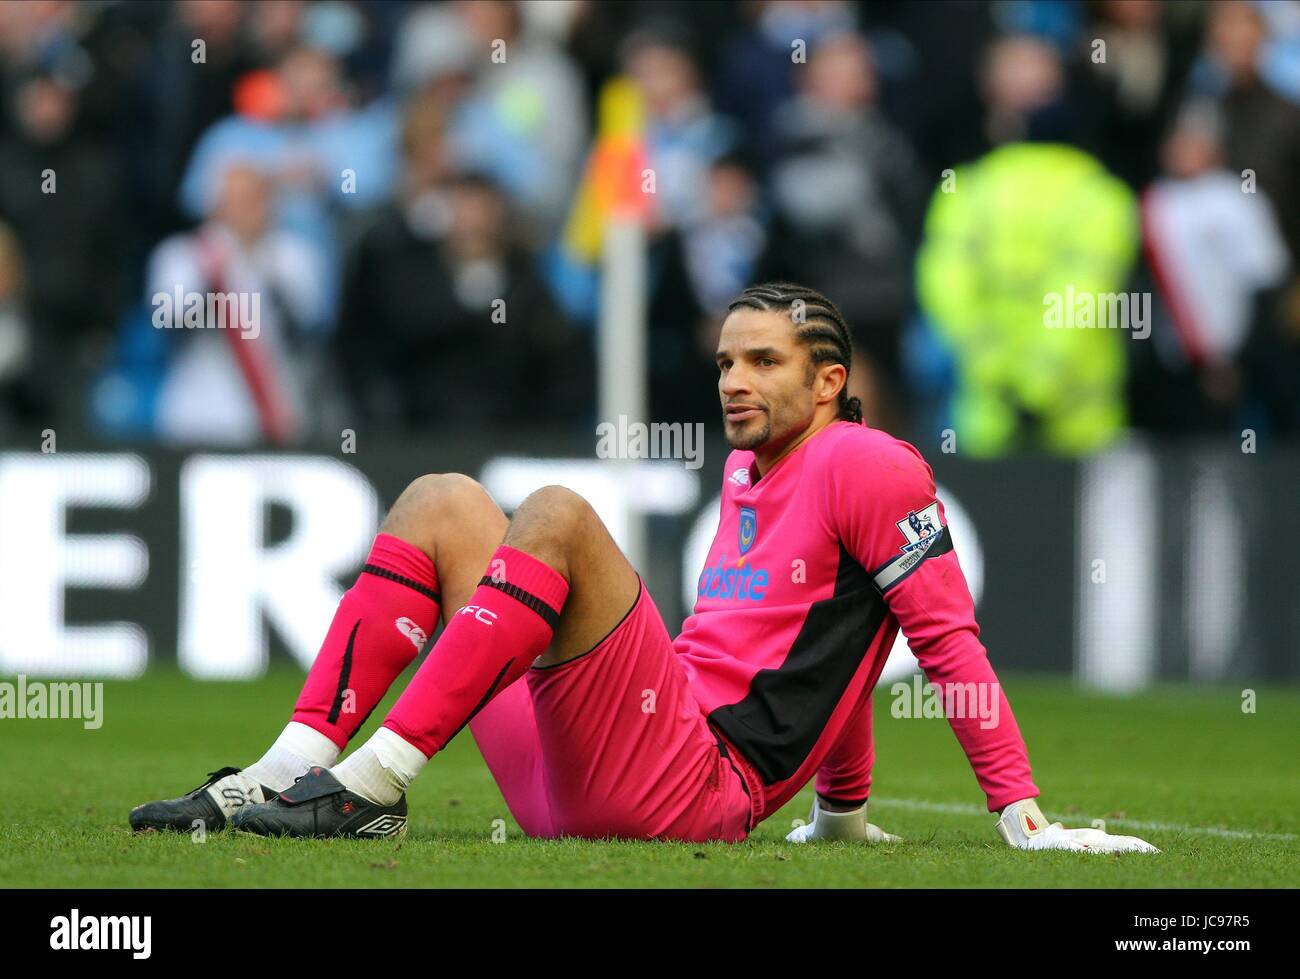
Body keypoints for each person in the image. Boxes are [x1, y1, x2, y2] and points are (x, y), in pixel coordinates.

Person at [129, 282, 1157, 853]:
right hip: (592, 781)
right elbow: (843, 651)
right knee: (441, 502)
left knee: (560, 515)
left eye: (761, 361)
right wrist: (841, 813)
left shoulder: (868, 463)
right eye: (723, 361)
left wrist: (1023, 817)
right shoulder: (757, 471)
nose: (732, 380)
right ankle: (291, 767)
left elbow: (940, 640)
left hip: (688, 787)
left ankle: (370, 785)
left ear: (833, 380)